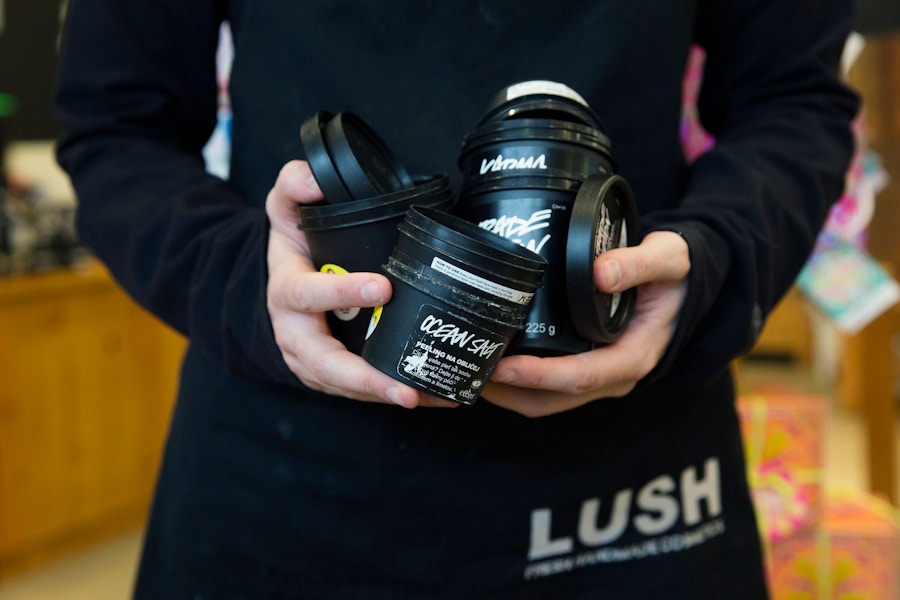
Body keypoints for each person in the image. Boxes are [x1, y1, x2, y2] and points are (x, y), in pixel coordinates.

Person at [54, 1, 858, 597]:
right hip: (283, 476)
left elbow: (792, 100)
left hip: (628, 475)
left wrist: (713, 261)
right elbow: (117, 126)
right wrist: (242, 280)